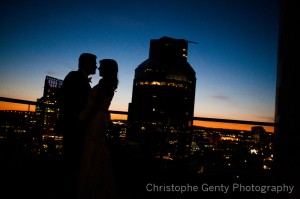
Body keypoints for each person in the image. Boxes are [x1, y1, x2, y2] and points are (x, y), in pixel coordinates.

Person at [76, 59, 119, 199]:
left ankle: (90, 184)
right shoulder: (106, 84)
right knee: (94, 148)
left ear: (107, 70)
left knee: (92, 147)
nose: (99, 68)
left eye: (101, 67)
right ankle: (93, 182)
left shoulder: (105, 85)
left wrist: (85, 121)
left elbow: (96, 106)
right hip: (99, 118)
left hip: (95, 119)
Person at [59, 53, 97, 197]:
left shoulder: (80, 78)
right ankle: (68, 189)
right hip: (73, 124)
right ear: (86, 63)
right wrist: (76, 119)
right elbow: (66, 99)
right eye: (94, 62)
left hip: (78, 125)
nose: (96, 66)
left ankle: (72, 187)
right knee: (70, 157)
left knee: (75, 157)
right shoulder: (74, 76)